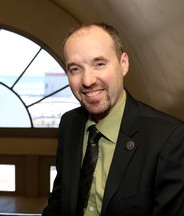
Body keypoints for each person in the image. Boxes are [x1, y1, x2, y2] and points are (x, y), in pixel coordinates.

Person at [42, 22, 184, 216]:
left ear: (123, 64)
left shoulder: (169, 138)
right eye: (75, 69)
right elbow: (59, 199)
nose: (87, 80)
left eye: (99, 64)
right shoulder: (70, 123)